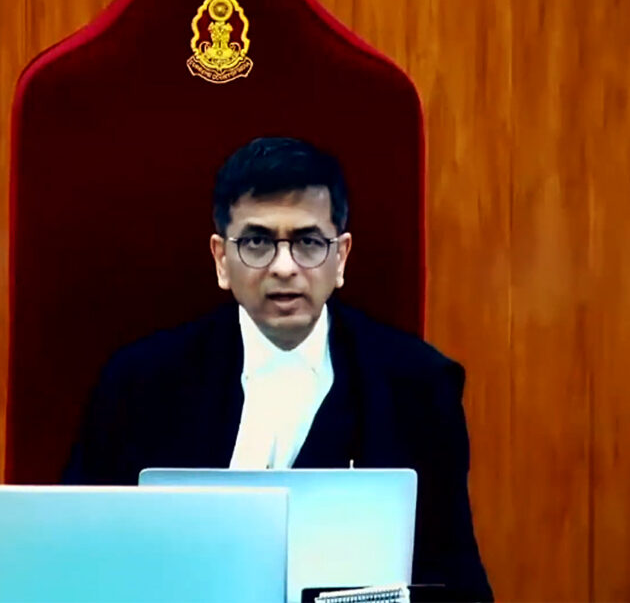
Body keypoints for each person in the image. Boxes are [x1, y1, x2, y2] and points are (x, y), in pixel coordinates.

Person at [63, 137, 493, 600]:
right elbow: (76, 560)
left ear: (341, 257)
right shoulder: (139, 385)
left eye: (308, 243)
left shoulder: (419, 389)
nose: (284, 267)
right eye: (257, 242)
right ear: (220, 259)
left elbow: (456, 583)